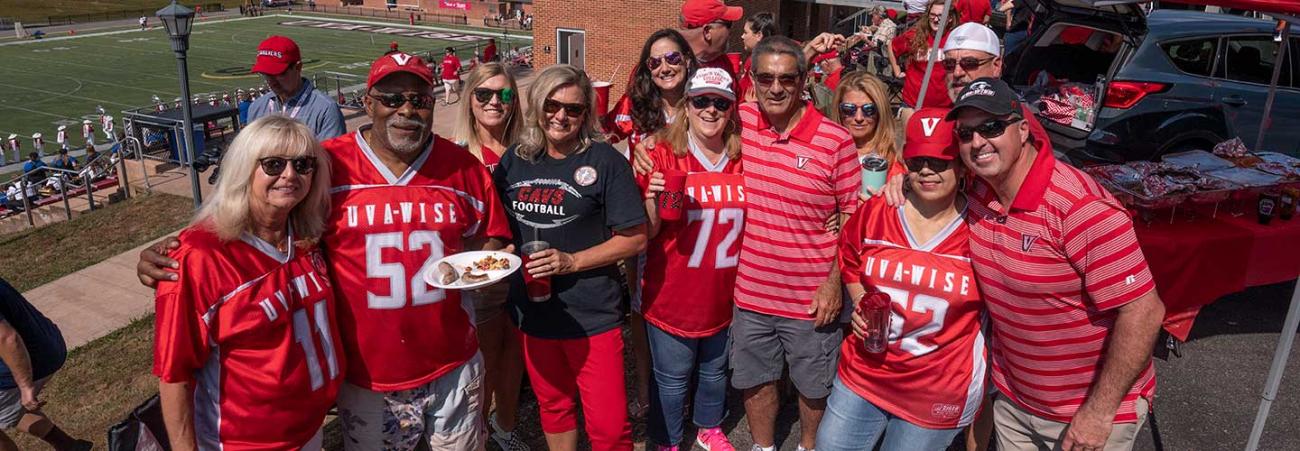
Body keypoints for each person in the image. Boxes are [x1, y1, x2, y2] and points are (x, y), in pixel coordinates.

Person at [139, 52, 513, 450]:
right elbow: (257, 211)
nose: (407, 110)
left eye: (419, 100)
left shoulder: (464, 168)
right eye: (391, 99)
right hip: (367, 377)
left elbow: (490, 239)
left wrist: (473, 262)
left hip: (452, 361)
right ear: (368, 103)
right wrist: (180, 246)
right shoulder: (324, 165)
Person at [946, 78, 1165, 451]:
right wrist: (898, 184)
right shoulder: (980, 191)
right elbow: (923, 165)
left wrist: (1098, 412)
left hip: (1084, 414)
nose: (978, 142)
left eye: (992, 126)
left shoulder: (1079, 208)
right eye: (966, 133)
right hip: (1015, 402)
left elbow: (1144, 311)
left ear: (1023, 129)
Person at [153, 116, 342, 451]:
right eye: (272, 164)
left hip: (308, 430)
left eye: (302, 164)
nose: (289, 175)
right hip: (246, 441)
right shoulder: (200, 256)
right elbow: (175, 374)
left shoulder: (304, 236)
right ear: (244, 168)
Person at [493, 64, 648, 451]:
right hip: (534, 311)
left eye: (573, 109)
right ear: (537, 105)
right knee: (554, 407)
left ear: (586, 115)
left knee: (610, 428)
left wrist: (571, 262)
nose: (560, 116)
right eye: (551, 104)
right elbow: (496, 227)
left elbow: (635, 239)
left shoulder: (605, 161)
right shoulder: (516, 159)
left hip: (591, 315)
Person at [816, 108, 985, 451]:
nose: (926, 170)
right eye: (916, 161)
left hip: (935, 389)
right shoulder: (879, 210)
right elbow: (848, 254)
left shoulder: (981, 231)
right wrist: (861, 297)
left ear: (962, 166)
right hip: (866, 373)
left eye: (939, 162)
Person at [729, 36, 859, 451]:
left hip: (811, 296)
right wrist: (645, 154)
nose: (776, 87)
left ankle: (807, 447)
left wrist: (833, 284)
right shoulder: (741, 121)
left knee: (814, 387)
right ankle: (763, 447)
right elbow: (683, 123)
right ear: (752, 79)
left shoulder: (835, 140)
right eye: (765, 77)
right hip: (752, 291)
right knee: (755, 380)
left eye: (787, 78)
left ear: (804, 80)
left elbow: (852, 217)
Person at [636, 68, 743, 451]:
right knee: (672, 377)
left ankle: (708, 427)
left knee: (715, 371)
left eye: (720, 102)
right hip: (673, 293)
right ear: (687, 105)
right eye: (701, 101)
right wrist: (651, 198)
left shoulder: (744, 157)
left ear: (732, 108)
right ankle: (667, 439)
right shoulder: (662, 153)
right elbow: (646, 233)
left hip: (723, 294)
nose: (710, 110)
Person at [605, 28, 697, 420]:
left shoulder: (707, 97)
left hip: (698, 213)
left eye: (673, 58)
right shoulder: (635, 103)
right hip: (646, 216)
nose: (664, 67)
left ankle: (689, 383)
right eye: (654, 61)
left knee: (694, 300)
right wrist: (630, 147)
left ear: (688, 61)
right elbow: (605, 142)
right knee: (643, 306)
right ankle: (645, 384)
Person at [448, 61, 530, 451]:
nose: (495, 101)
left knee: (514, 356)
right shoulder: (455, 153)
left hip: (527, 266)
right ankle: (477, 431)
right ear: (470, 99)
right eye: (484, 94)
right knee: (482, 363)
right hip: (479, 273)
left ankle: (505, 426)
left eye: (505, 94)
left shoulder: (529, 148)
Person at [0, 278, 89, 451]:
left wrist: (25, 387)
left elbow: (7, 338)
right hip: (47, 341)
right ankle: (68, 446)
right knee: (7, 410)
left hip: (26, 361)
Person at [247, 36, 348, 140]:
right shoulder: (257, 107)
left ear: (298, 67)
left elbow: (332, 154)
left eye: (278, 73)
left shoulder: (325, 109)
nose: (271, 81)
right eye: (265, 74)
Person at [890, 0, 959, 127]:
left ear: (949, 18)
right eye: (932, 15)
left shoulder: (955, 39)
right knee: (911, 144)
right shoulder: (915, 35)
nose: (936, 19)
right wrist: (897, 71)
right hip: (913, 105)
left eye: (940, 16)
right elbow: (892, 45)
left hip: (945, 107)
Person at [828, 71, 902, 178]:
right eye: (849, 109)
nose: (859, 118)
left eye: (869, 109)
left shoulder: (896, 157)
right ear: (839, 110)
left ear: (880, 111)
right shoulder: (826, 153)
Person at [679, 0, 744, 76]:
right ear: (707, 32)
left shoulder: (723, 61)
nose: (731, 31)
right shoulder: (673, 66)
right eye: (728, 24)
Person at [942, 23, 1003, 103]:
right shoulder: (933, 113)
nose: (957, 73)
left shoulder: (1013, 114)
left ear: (996, 66)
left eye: (969, 63)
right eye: (949, 64)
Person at [738, 12, 777, 101]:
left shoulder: (762, 62)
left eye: (745, 32)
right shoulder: (752, 58)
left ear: (759, 35)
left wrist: (753, 104)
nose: (742, 36)